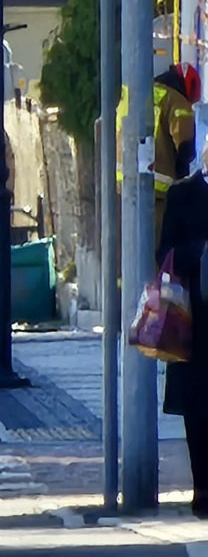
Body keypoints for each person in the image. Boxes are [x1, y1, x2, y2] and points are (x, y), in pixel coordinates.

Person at [158, 141, 208, 516]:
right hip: (194, 319)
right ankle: (203, 486)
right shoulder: (183, 194)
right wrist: (200, 251)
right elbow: (165, 255)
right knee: (198, 407)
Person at [117, 63, 198, 247]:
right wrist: (182, 176)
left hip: (123, 182)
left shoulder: (136, 92)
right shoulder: (177, 100)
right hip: (155, 186)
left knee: (129, 246)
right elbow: (186, 146)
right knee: (150, 247)